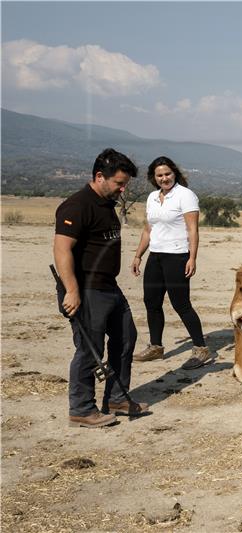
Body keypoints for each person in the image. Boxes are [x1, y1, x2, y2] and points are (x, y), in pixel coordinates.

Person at [54, 148, 150, 428]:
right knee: (89, 349)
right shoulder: (77, 205)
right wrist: (72, 291)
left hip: (109, 285)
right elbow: (62, 250)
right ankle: (81, 409)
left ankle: (117, 398)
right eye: (119, 183)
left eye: (125, 184)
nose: (122, 189)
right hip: (86, 289)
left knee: (125, 338)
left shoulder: (107, 204)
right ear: (99, 176)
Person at [131, 156, 214, 370]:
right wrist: (139, 254)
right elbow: (149, 230)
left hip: (177, 256)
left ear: (174, 173)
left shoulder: (185, 196)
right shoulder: (151, 197)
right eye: (159, 175)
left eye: (167, 174)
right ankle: (156, 347)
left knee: (181, 304)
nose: (164, 178)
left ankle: (201, 349)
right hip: (156, 256)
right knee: (151, 302)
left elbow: (192, 230)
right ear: (154, 177)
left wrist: (192, 257)